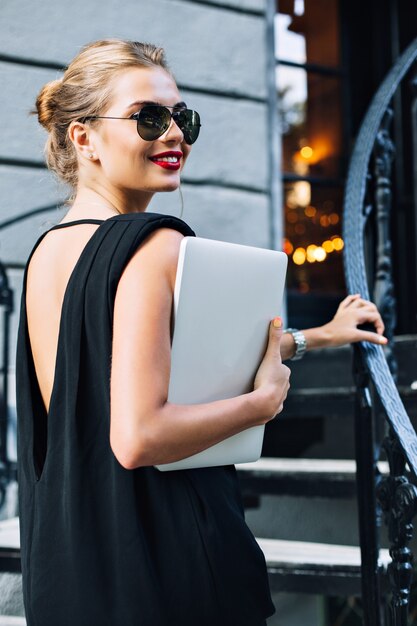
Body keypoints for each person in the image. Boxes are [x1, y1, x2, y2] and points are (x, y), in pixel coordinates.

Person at [15, 39, 386, 626]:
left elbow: (155, 363)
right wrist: (260, 404)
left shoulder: (47, 253)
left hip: (74, 566)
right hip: (163, 564)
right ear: (82, 137)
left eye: (182, 118)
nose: (175, 135)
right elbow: (138, 436)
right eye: (149, 118)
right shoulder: (156, 242)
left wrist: (322, 335)